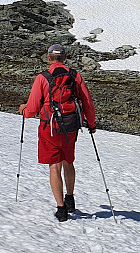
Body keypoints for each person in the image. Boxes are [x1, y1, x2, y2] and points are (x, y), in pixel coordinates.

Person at [19, 44, 97, 222]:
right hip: (70, 127)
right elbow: (87, 101)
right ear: (65, 58)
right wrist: (91, 124)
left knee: (54, 166)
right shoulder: (75, 75)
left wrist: (23, 110)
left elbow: (31, 109)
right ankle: (70, 198)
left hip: (50, 128)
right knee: (68, 161)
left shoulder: (43, 78)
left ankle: (61, 209)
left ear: (48, 58)